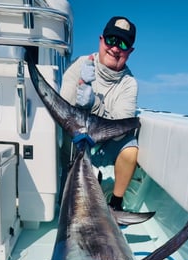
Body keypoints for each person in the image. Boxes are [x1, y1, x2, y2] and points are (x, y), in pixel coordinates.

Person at [60, 16, 138, 211]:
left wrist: (94, 104)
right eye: (111, 40)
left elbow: (120, 130)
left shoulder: (129, 83)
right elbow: (64, 107)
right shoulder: (80, 64)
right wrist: (81, 84)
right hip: (74, 141)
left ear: (130, 51)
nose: (115, 47)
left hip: (106, 145)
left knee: (130, 149)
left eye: (123, 44)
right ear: (101, 40)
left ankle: (116, 204)